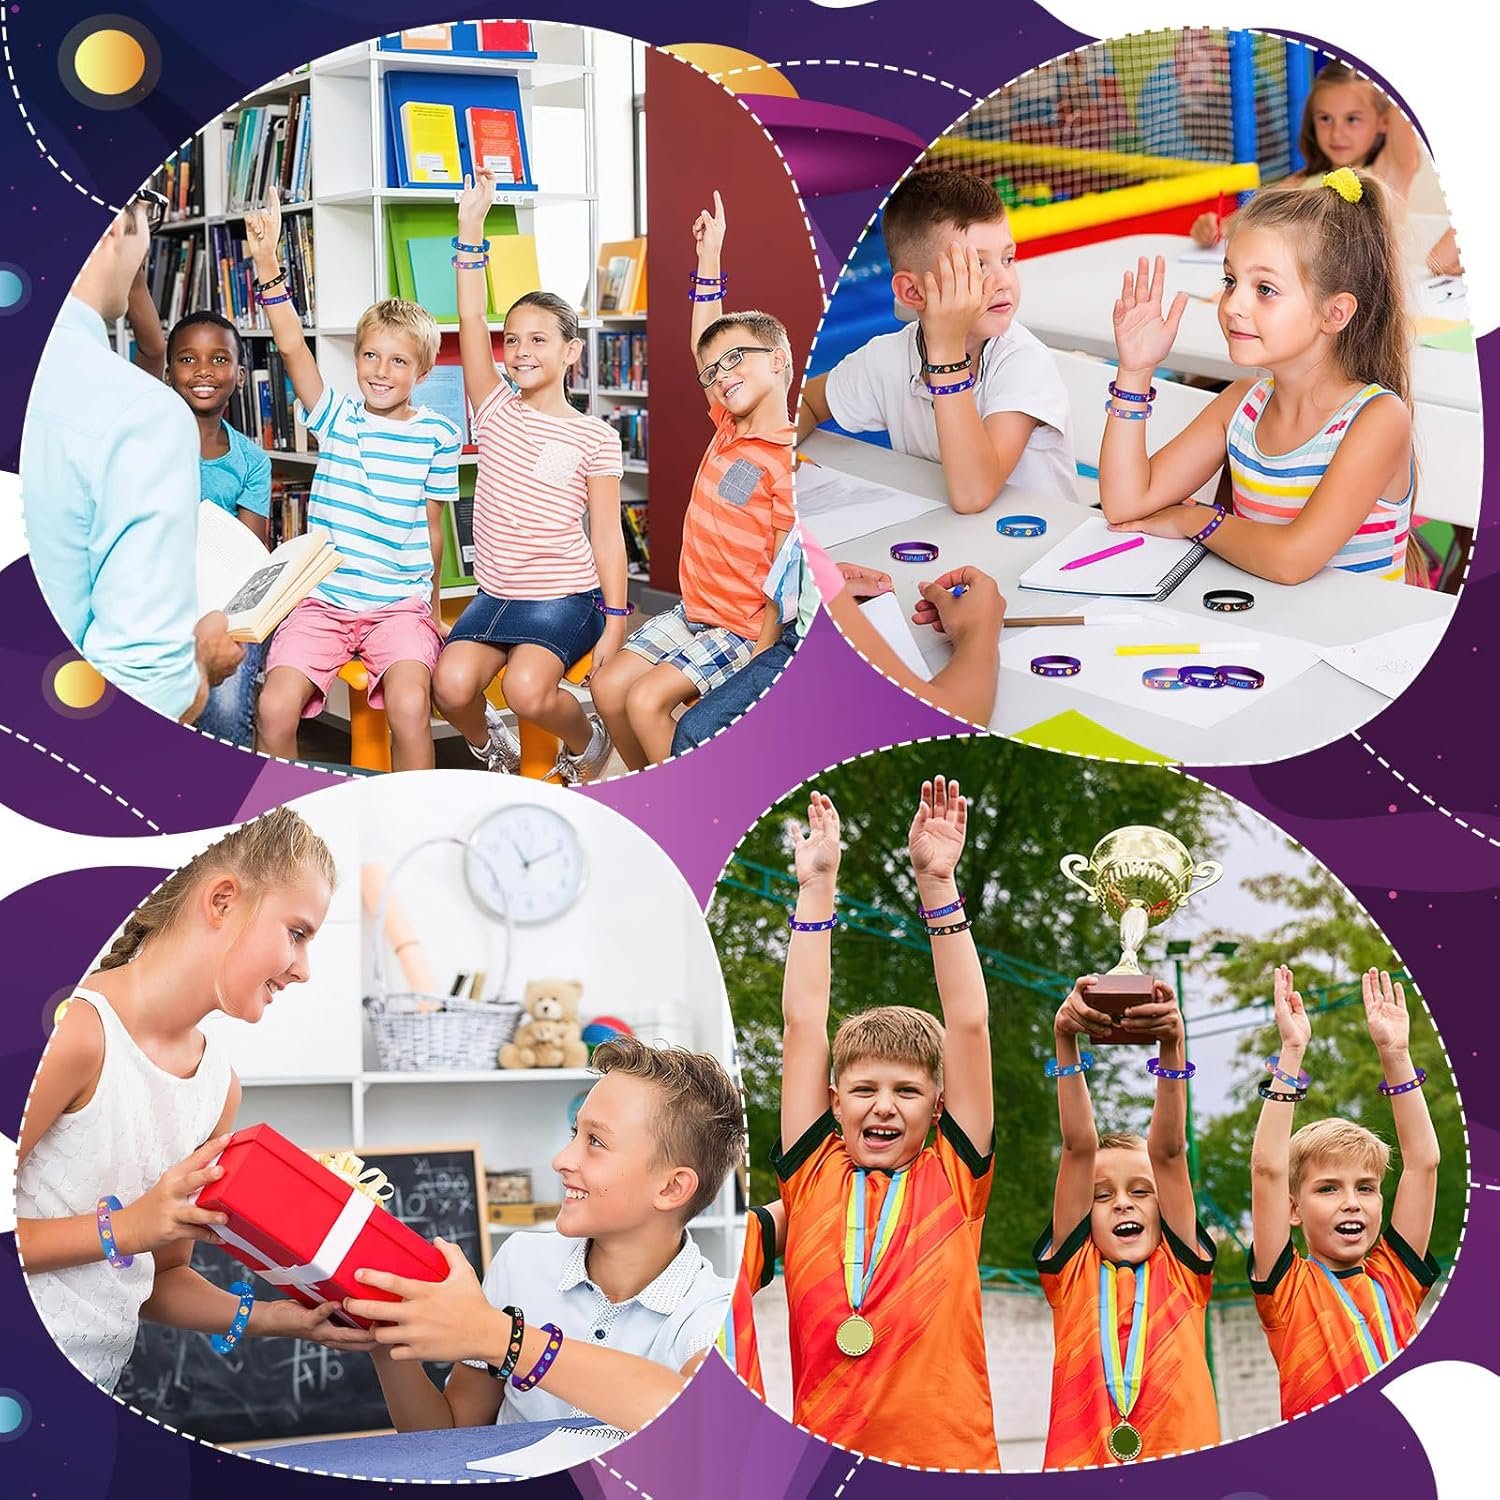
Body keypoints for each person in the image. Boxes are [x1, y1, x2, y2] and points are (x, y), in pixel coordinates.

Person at [15, 809, 368, 1393]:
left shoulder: (217, 1087)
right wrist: (125, 1228)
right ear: (223, 900)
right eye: (297, 933)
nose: (303, 969)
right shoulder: (74, 1033)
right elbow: (132, 1233)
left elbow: (162, 1276)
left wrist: (281, 1319)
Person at [343, 1038, 743, 1436]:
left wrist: (500, 1337)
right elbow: (447, 1437)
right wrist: (383, 1337)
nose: (562, 1160)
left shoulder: (715, 1309)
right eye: (575, 1133)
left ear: (672, 1188)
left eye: (596, 1142)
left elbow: (694, 1412)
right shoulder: (521, 1262)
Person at [772, 782, 999, 1469]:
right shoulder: (811, 1174)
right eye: (865, 1088)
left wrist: (936, 884)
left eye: (906, 1090)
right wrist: (817, 888)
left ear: (939, 1105)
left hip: (953, 1463)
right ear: (833, 1101)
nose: (883, 1105)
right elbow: (803, 1021)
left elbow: (968, 1022)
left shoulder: (956, 1177)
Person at [1100, 170, 1423, 586]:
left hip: (1356, 646)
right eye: (1231, 281)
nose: (1233, 304)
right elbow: (1126, 504)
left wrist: (1193, 519)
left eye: (1265, 289)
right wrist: (1136, 371)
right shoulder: (1241, 404)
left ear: (1334, 313)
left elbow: (1292, 560)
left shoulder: (1378, 419)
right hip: (1269, 634)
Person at [244, 187, 461, 770]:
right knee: (272, 707)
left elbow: (435, 531)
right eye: (370, 356)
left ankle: (418, 825)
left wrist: (433, 610)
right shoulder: (336, 418)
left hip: (399, 606)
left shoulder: (438, 435)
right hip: (324, 603)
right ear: (357, 358)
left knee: (412, 708)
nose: (381, 372)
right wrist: (269, 267)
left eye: (397, 361)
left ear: (422, 369)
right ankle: (280, 829)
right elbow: (291, 348)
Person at [431, 170, 629, 784]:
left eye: (538, 340)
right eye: (512, 339)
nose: (520, 351)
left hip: (564, 598)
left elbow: (607, 535)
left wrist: (616, 622)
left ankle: (588, 741)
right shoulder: (492, 405)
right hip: (495, 594)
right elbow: (468, 316)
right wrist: (471, 230)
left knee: (525, 690)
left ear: (571, 352)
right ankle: (490, 742)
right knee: (451, 685)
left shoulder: (596, 436)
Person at [589, 192, 795, 768]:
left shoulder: (787, 458)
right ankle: (647, 784)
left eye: (739, 361)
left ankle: (678, 797)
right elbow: (704, 342)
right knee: (607, 690)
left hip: (740, 628)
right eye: (715, 371)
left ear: (778, 361)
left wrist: (764, 654)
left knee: (650, 702)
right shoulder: (728, 425)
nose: (722, 374)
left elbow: (782, 576)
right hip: (690, 610)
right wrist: (709, 262)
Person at [21, 190, 243, 723]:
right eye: (149, 209)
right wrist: (201, 665)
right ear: (115, 222)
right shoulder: (141, 412)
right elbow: (141, 690)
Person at [798, 170, 1077, 510]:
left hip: (1039, 549)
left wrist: (946, 350)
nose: (1004, 280)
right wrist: (770, 457)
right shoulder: (890, 358)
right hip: (947, 544)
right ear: (913, 292)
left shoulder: (1021, 362)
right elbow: (805, 404)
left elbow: (973, 494)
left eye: (1007, 258)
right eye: (976, 267)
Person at [1035, 976, 1219, 1468]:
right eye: (1102, 1195)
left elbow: (1169, 1151)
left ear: (1164, 1207)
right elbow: (1079, 1147)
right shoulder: (1070, 1274)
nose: (1123, 1204)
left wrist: (1172, 1048)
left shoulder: (1184, 1271)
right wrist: (1065, 1042)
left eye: (1141, 1191)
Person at [1248, 965, 1441, 1419]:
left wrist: (1395, 1054)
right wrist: (1292, 1053)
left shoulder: (1395, 1275)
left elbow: (1423, 1163)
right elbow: (1267, 1169)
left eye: (1366, 1188)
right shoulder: (1288, 1288)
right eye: (1328, 1188)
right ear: (1293, 1210)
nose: (1351, 1201)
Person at [164, 310, 273, 746]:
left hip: (225, 612)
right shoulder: (147, 446)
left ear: (241, 375)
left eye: (219, 359)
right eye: (188, 360)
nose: (204, 371)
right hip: (159, 602)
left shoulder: (251, 462)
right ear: (168, 372)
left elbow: (251, 559)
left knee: (226, 708)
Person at [1191, 61, 1422, 247]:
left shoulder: (1388, 173)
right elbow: (1243, 223)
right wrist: (1212, 227)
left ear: (1383, 121)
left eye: (1352, 119)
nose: (1336, 133)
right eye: (1325, 118)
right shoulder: (1303, 181)